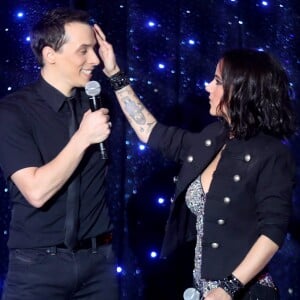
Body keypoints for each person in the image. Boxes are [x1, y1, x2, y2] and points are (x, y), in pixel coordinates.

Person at [95, 25, 296, 300]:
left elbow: (273, 232)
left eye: (217, 80)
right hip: (205, 290)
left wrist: (229, 288)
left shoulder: (271, 153)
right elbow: (150, 131)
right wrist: (114, 73)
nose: (207, 86)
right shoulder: (211, 138)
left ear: (240, 90)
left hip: (246, 293)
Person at [0, 8, 119, 300]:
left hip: (97, 266)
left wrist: (115, 74)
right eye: (83, 51)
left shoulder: (95, 103)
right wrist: (82, 138)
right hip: (37, 269)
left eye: (95, 49)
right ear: (50, 54)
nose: (95, 60)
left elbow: (150, 131)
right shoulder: (13, 112)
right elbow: (36, 191)